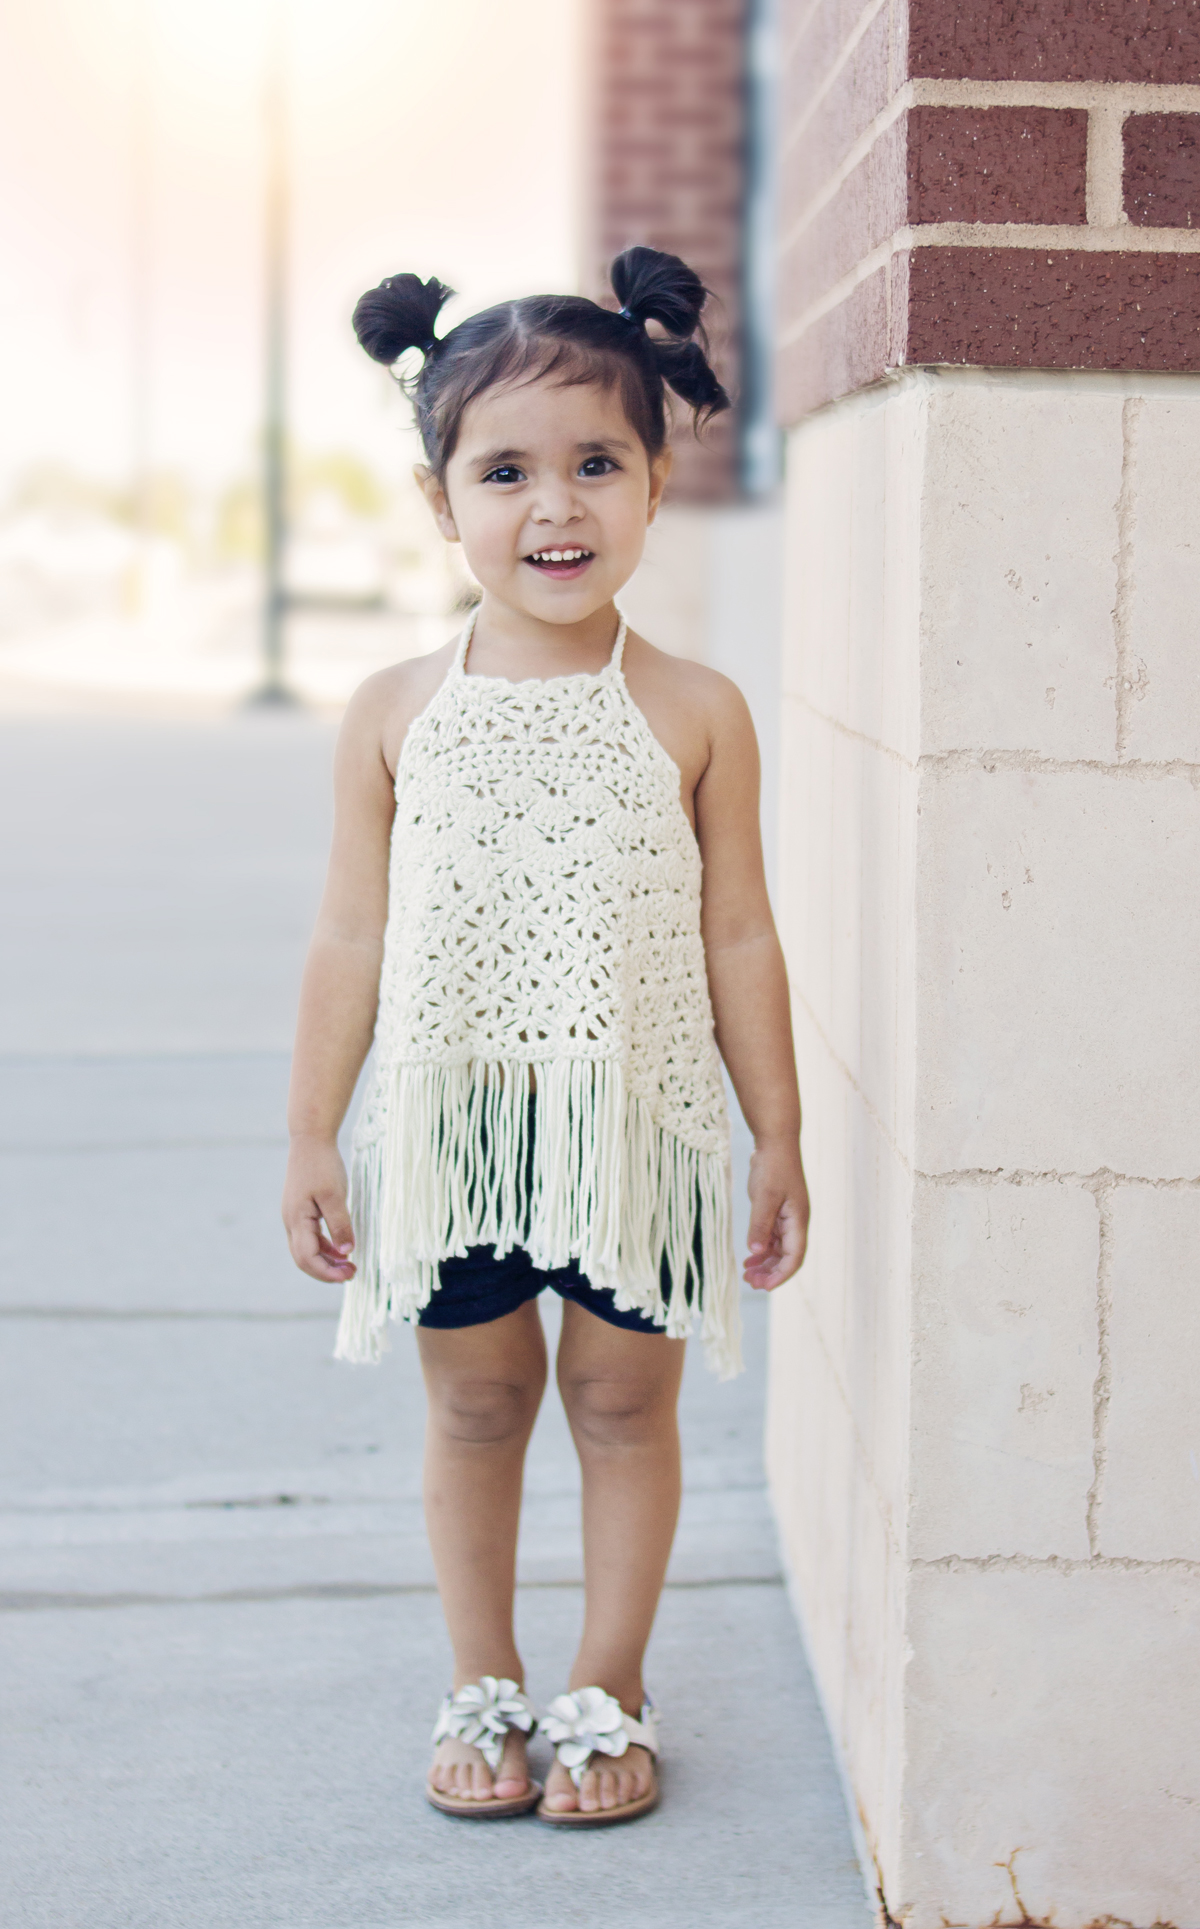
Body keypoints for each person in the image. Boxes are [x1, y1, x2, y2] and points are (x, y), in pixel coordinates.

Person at [282, 247, 809, 1827]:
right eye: (504, 470)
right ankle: (484, 1679)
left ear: (658, 478)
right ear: (443, 502)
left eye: (597, 463)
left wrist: (775, 1130)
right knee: (478, 1404)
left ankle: (611, 1680)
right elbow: (351, 935)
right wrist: (313, 1126)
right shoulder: (391, 708)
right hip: (453, 1135)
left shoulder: (698, 707)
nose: (554, 506)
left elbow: (737, 933)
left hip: (632, 1130)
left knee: (624, 1407)